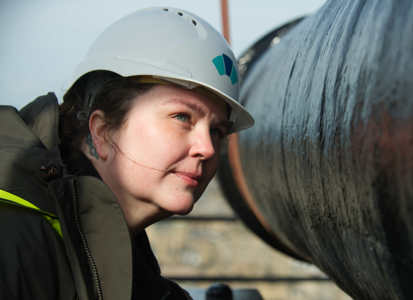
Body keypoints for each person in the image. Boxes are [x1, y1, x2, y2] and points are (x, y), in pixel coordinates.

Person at [0, 7, 254, 300]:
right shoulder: (15, 236)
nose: (208, 148)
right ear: (103, 131)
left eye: (217, 131)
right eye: (182, 117)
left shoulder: (119, 260)